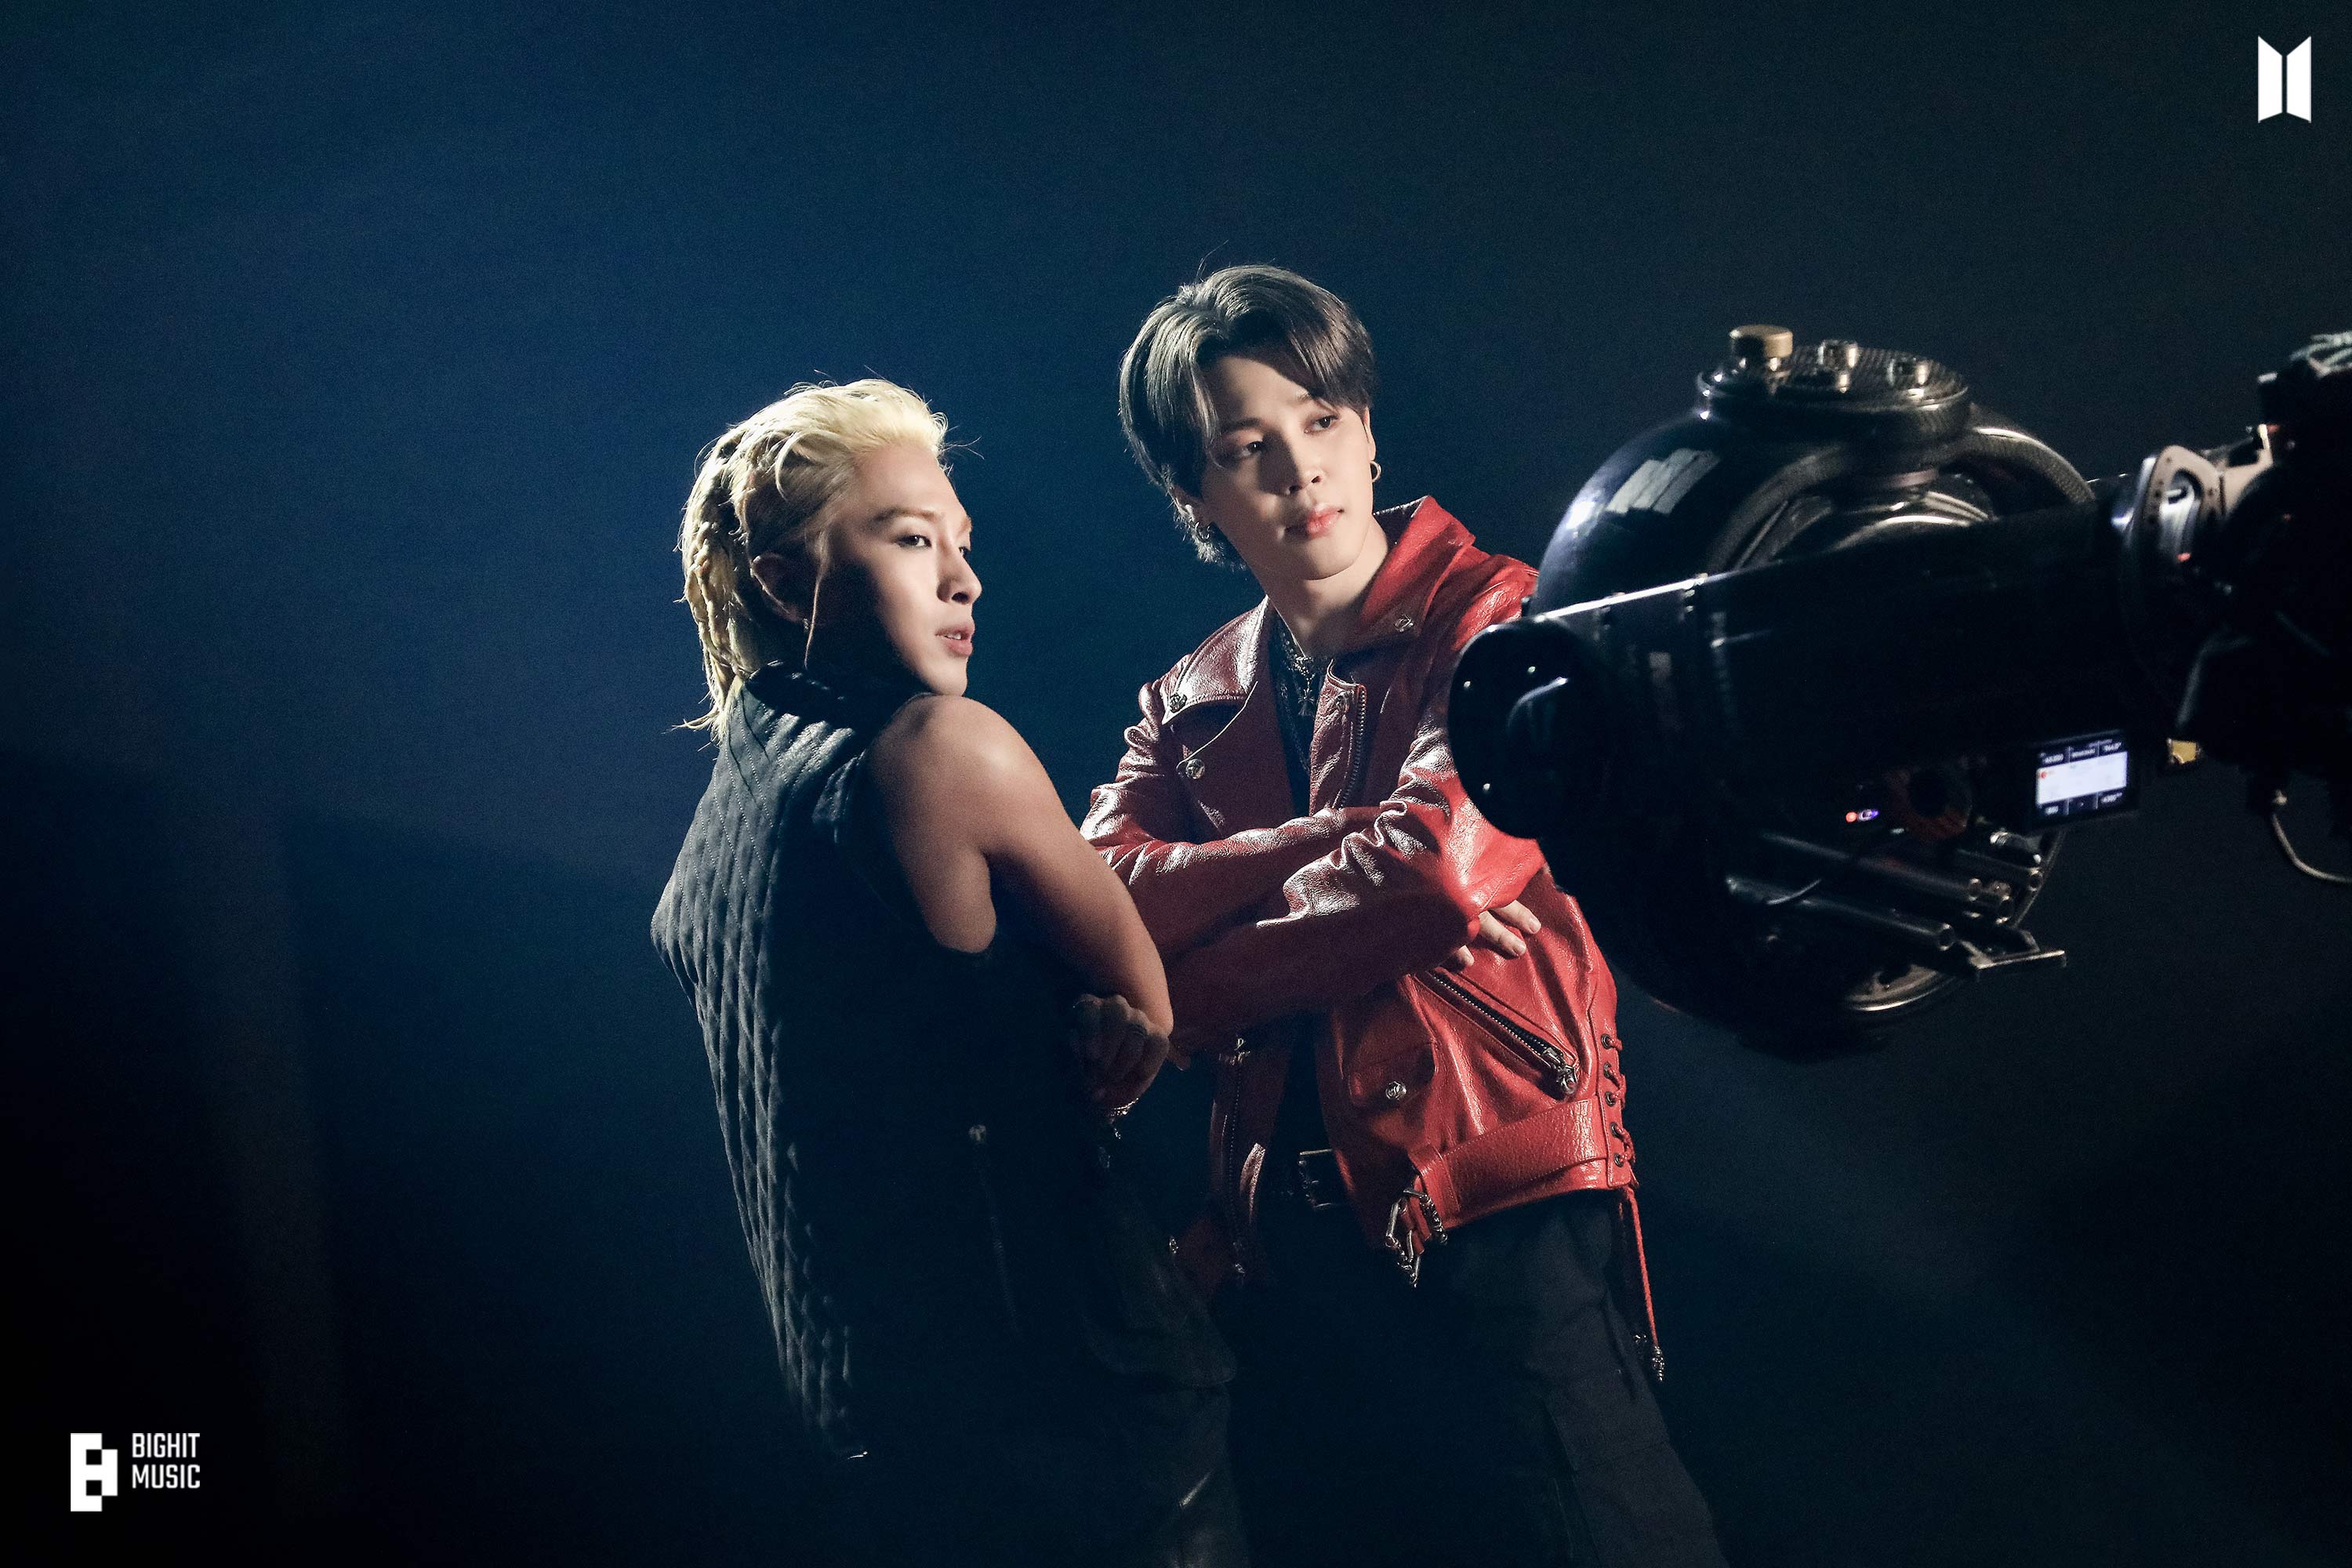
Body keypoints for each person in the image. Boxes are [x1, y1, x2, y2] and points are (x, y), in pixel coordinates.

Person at [1084, 267, 1727, 1566]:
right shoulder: (1189, 697)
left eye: (1322, 421)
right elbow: (1096, 898)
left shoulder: (1504, 617)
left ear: (1369, 430)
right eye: (1248, 449)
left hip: (1497, 1186)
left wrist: (1181, 991)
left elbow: (1432, 873)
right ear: (1195, 495)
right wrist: (1337, 846)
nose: (1301, 471)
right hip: (1281, 1238)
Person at [650, 379, 1247, 1566]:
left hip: (875, 1426)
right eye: (912, 539)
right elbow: (1148, 1001)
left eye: (960, 544)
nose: (964, 580)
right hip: (1073, 1390)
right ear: (784, 582)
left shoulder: (706, 852)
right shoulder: (941, 748)